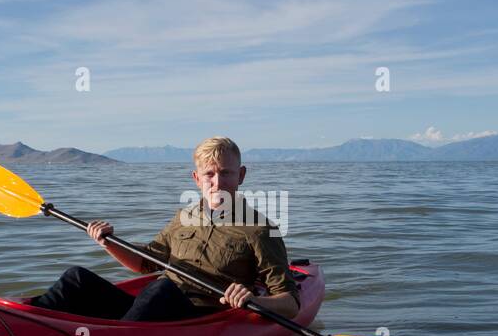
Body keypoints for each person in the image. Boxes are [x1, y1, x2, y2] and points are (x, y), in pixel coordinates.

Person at [30, 136, 300, 323]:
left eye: (226, 173)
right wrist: (108, 243)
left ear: (240, 175)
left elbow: (290, 302)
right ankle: (24, 324)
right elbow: (146, 263)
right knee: (76, 278)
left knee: (160, 290)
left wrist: (253, 300)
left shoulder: (261, 230)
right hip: (153, 307)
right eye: (209, 174)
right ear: (197, 179)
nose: (217, 182)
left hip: (198, 316)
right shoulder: (184, 217)